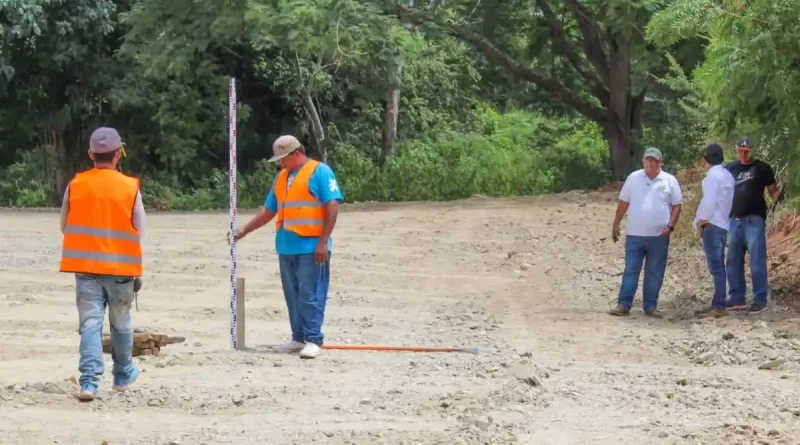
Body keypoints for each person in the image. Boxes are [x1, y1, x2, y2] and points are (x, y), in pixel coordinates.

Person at [231, 135, 343, 359]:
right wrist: (244, 230)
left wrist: (323, 242)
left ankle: (313, 339)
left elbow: (332, 205)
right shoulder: (281, 177)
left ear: (296, 153)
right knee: (292, 294)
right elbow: (269, 210)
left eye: (283, 158)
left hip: (311, 246)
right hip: (286, 246)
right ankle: (298, 337)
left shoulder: (320, 172)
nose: (281, 163)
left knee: (310, 294)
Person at [59, 127, 145, 401]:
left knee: (90, 324)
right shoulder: (129, 187)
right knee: (120, 324)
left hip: (86, 269)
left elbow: (65, 225)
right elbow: (139, 229)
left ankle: (89, 383)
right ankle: (122, 374)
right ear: (118, 154)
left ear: (91, 154)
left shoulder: (76, 185)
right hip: (121, 270)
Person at [609, 147, 683, 318]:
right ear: (643, 161)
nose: (651, 163)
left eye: (654, 160)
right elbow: (623, 202)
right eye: (648, 159)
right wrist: (616, 223)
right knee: (631, 270)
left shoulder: (669, 180)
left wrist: (670, 227)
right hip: (635, 234)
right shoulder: (633, 178)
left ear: (660, 162)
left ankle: (650, 306)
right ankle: (623, 304)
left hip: (659, 235)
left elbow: (676, 205)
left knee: (655, 272)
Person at [723, 137, 781, 314]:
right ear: (736, 150)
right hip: (735, 220)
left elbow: (773, 191)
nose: (744, 154)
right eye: (741, 151)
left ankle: (760, 299)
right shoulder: (730, 169)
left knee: (756, 260)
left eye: (746, 151)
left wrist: (778, 196)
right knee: (732, 260)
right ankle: (736, 297)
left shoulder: (762, 168)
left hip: (754, 220)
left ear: (751, 151)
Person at [692, 143, 735, 318]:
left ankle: (719, 305)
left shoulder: (712, 177)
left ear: (706, 160)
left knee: (716, 267)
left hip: (712, 224)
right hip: (724, 224)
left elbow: (708, 203)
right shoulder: (728, 176)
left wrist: (700, 223)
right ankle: (718, 302)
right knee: (719, 266)